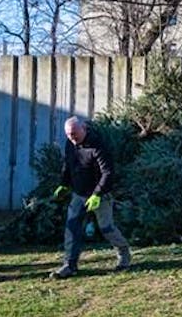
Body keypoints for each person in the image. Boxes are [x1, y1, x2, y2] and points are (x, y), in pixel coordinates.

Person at [50, 116, 132, 278]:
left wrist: (97, 194)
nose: (71, 138)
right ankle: (69, 265)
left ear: (84, 129)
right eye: (68, 135)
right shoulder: (70, 144)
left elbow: (108, 173)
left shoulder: (98, 145)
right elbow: (68, 165)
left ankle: (124, 254)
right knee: (72, 228)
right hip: (79, 194)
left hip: (100, 195)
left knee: (106, 228)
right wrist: (64, 184)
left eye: (74, 134)